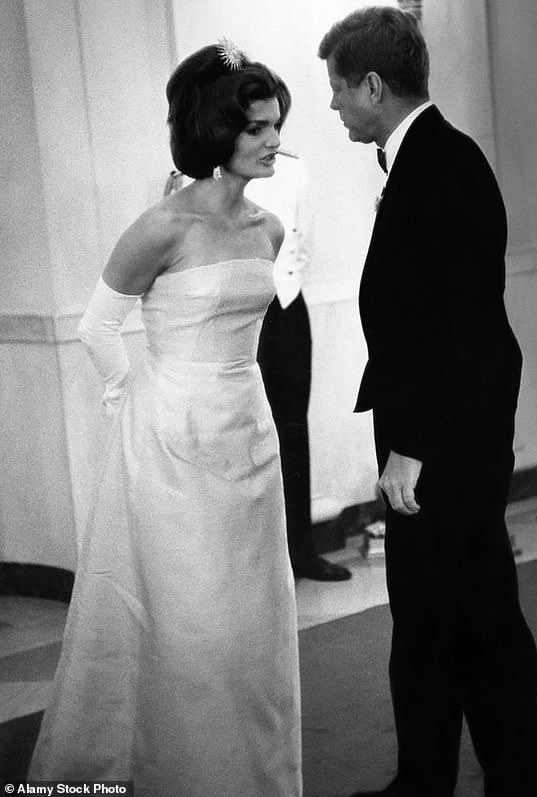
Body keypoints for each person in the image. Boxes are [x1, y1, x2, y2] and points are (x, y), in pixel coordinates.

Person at [28, 41, 301, 797]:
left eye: (275, 123)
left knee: (251, 620)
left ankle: (252, 773)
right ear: (217, 132)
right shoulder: (161, 227)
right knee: (189, 622)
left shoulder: (269, 229)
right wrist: (137, 399)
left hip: (249, 429)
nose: (273, 139)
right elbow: (96, 327)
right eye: (256, 128)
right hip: (170, 439)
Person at [318, 8, 537, 797]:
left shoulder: (441, 165)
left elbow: (461, 329)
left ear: (375, 86)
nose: (334, 106)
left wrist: (412, 445)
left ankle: (513, 784)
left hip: (444, 447)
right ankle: (424, 780)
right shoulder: (428, 157)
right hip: (444, 436)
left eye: (339, 90)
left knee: (474, 625)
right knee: (433, 623)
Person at [247, 153, 352, 581]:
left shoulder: (292, 169)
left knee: (293, 428)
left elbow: (302, 238)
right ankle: (256, 565)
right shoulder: (201, 173)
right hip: (240, 313)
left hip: (287, 307)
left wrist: (284, 289)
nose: (269, 136)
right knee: (243, 433)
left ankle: (301, 552)